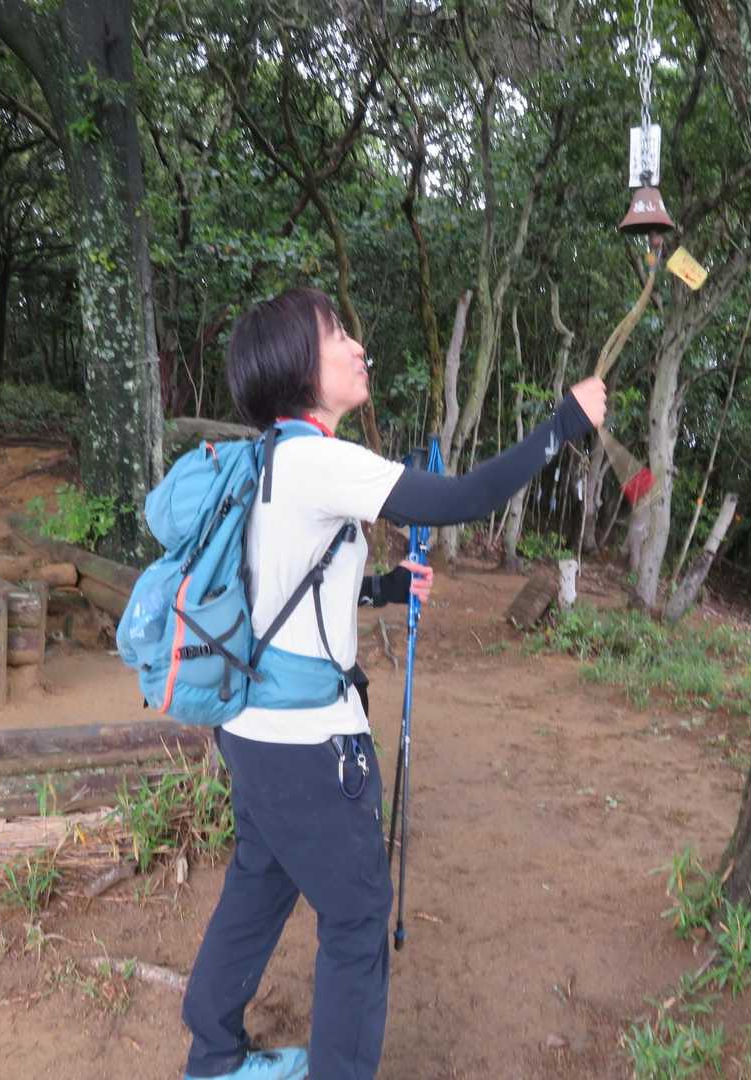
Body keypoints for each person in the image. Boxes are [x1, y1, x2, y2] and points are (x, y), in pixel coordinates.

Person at [181, 287, 607, 1080]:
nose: (357, 346)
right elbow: (462, 499)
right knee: (355, 921)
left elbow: (279, 587)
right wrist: (564, 423)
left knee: (259, 882)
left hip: (251, 733)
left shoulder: (268, 460)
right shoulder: (319, 459)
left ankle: (213, 1056)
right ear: (297, 366)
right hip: (308, 747)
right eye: (336, 334)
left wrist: (381, 588)